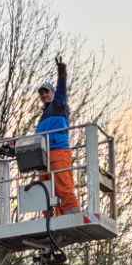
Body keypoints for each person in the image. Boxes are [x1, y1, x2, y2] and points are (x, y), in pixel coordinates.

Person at [35, 56, 79, 215]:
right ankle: (50, 217)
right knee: (45, 189)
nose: (44, 95)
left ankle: (72, 213)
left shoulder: (59, 104)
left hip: (58, 151)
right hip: (44, 156)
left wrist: (61, 71)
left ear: (53, 93)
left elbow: (61, 88)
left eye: (46, 92)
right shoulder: (42, 116)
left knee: (62, 183)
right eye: (42, 94)